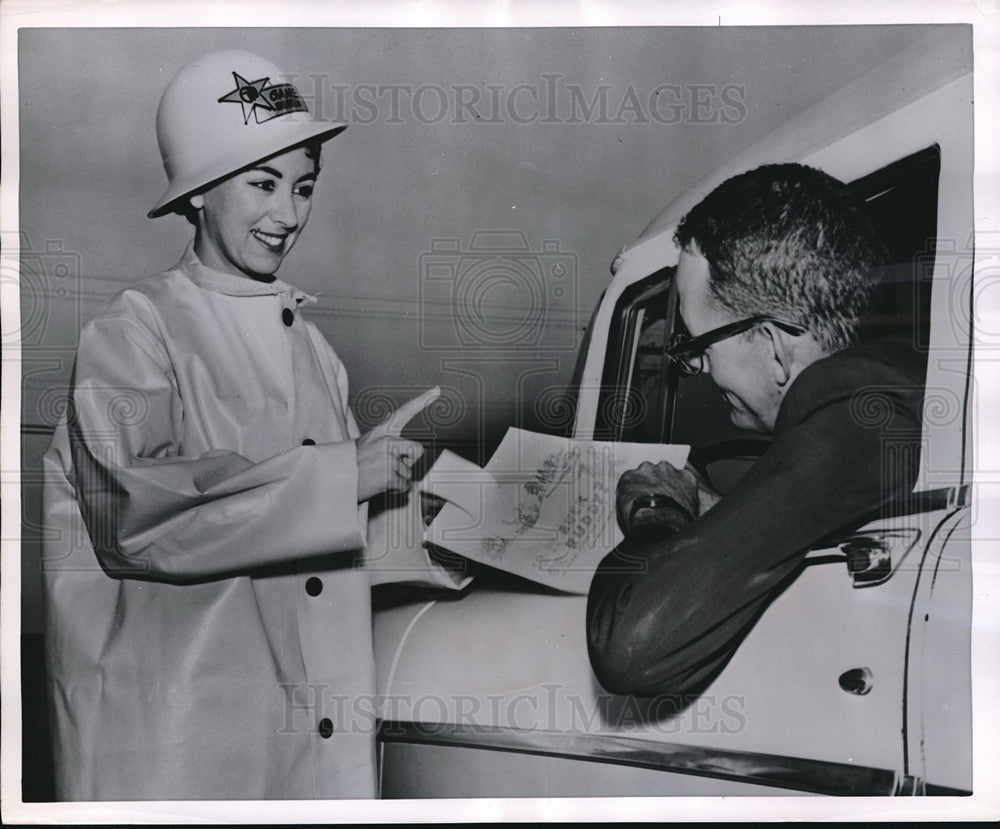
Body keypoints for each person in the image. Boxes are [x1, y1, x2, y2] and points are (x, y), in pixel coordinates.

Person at [41, 49, 437, 800]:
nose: (289, 213)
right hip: (175, 750)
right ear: (195, 196)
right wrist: (341, 477)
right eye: (263, 183)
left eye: (305, 185)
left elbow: (321, 553)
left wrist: (429, 524)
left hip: (305, 741)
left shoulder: (315, 352)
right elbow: (134, 514)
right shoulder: (134, 330)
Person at [586, 163, 925, 699]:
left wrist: (657, 512)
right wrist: (722, 513)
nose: (696, 370)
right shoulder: (887, 400)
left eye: (697, 347)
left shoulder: (849, 426)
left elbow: (629, 648)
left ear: (771, 345)